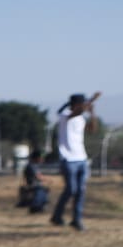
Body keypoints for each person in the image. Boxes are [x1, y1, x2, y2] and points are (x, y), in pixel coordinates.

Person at [51, 91, 100, 231]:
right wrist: (91, 101)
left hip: (81, 158)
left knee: (80, 191)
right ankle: (57, 215)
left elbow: (92, 130)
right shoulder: (64, 115)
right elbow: (75, 113)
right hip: (68, 159)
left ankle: (76, 220)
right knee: (71, 189)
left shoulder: (81, 118)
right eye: (82, 103)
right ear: (76, 104)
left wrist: (92, 114)